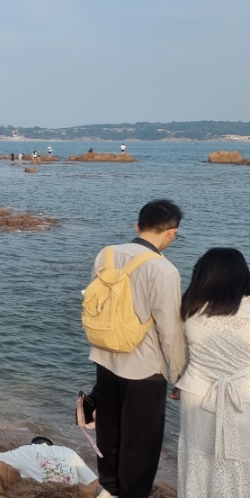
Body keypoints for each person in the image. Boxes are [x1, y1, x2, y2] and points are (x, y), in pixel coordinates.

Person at [89, 199, 185, 498]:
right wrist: (179, 374)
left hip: (104, 358)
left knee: (110, 435)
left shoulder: (105, 255)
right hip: (145, 369)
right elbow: (170, 331)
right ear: (171, 233)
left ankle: (108, 490)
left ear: (138, 226)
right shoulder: (163, 270)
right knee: (141, 446)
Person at [174, 247, 250, 497]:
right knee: (240, 459)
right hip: (243, 396)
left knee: (198, 458)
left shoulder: (190, 309)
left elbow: (180, 353)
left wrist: (178, 381)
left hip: (196, 393)